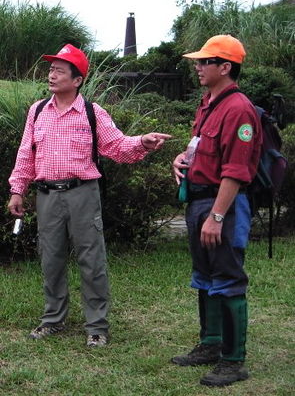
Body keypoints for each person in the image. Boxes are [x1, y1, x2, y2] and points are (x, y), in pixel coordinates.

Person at [8, 44, 171, 347]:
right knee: (51, 258)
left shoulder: (92, 113)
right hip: (47, 197)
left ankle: (97, 325)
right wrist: (18, 190)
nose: (51, 75)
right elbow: (25, 154)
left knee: (91, 259)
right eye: (51, 69)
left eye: (59, 70)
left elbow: (119, 146)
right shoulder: (38, 110)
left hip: (83, 194)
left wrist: (143, 143)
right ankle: (53, 319)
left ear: (77, 79)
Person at [171, 35, 262, 386]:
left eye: (205, 61)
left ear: (225, 67)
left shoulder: (238, 109)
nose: (197, 66)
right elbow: (201, 151)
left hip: (222, 204)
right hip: (199, 201)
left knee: (228, 278)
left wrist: (217, 216)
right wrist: (181, 159)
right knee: (205, 278)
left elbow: (236, 172)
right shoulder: (208, 103)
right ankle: (210, 344)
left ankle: (233, 361)